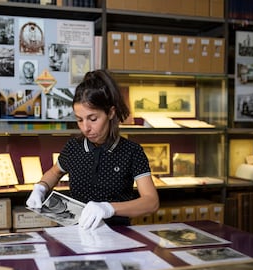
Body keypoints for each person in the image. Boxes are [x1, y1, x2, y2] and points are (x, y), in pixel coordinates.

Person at [26, 69, 159, 230]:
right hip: (75, 233)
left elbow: (151, 202)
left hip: (117, 235)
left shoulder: (131, 151)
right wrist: (41, 187)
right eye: (79, 120)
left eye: (93, 119)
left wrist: (109, 208)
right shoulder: (73, 148)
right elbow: (54, 172)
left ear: (110, 113)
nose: (85, 128)